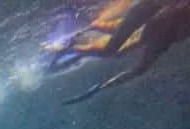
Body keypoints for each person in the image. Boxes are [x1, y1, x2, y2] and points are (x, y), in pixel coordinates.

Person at [50, 0, 190, 102]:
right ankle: (69, 48)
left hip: (162, 32)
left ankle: (98, 87)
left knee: (132, 62)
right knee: (112, 49)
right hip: (151, 18)